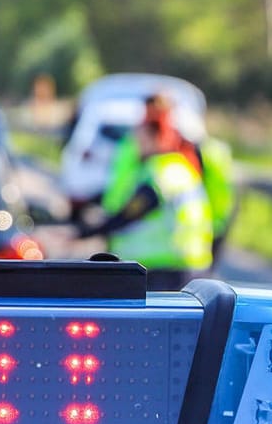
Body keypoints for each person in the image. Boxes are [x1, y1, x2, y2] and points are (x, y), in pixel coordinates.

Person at [81, 93, 215, 291]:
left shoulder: (163, 173)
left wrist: (86, 232)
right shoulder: (172, 166)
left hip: (167, 270)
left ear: (154, 137)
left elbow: (132, 212)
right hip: (181, 266)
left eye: (140, 138)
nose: (136, 145)